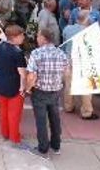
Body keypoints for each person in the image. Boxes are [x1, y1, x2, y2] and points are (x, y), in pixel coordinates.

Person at [25, 28, 70, 157]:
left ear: (44, 38)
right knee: (55, 118)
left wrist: (28, 89)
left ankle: (43, 147)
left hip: (40, 91)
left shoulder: (36, 53)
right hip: (55, 90)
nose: (36, 39)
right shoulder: (61, 53)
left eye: (38, 36)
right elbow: (67, 72)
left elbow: (31, 76)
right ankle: (56, 145)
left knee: (41, 120)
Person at [0, 25, 29, 149]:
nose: (23, 37)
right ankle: (14, 137)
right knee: (14, 114)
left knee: (3, 111)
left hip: (1, 84)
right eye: (21, 35)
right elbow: (22, 74)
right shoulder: (18, 53)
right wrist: (23, 88)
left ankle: (5, 133)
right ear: (14, 37)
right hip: (14, 86)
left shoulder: (1, 46)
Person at [61, 10, 97, 120]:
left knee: (68, 85)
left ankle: (68, 106)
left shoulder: (67, 29)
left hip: (68, 60)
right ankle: (87, 111)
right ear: (87, 19)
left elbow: (64, 44)